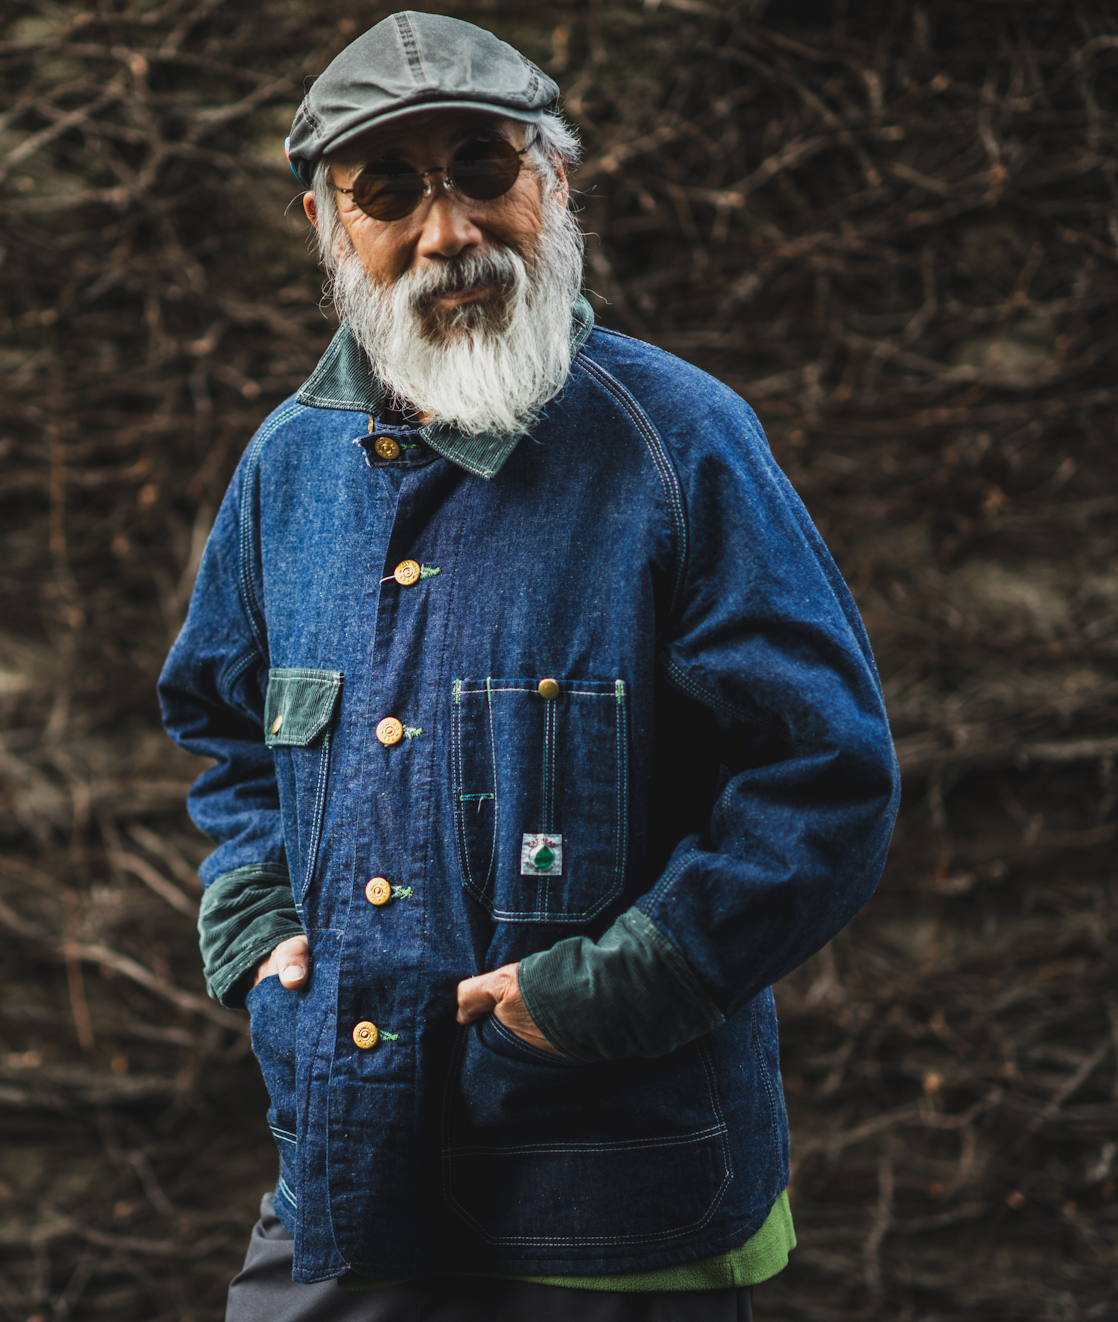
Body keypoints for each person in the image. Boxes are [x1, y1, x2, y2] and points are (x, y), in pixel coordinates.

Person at [157, 13, 899, 1319]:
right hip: (349, 1158)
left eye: (483, 169)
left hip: (618, 1188)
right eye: (389, 190)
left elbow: (822, 780)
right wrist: (260, 927)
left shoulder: (681, 445)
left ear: (553, 180)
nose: (446, 231)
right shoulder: (287, 467)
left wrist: (600, 995)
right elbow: (225, 736)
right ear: (327, 224)